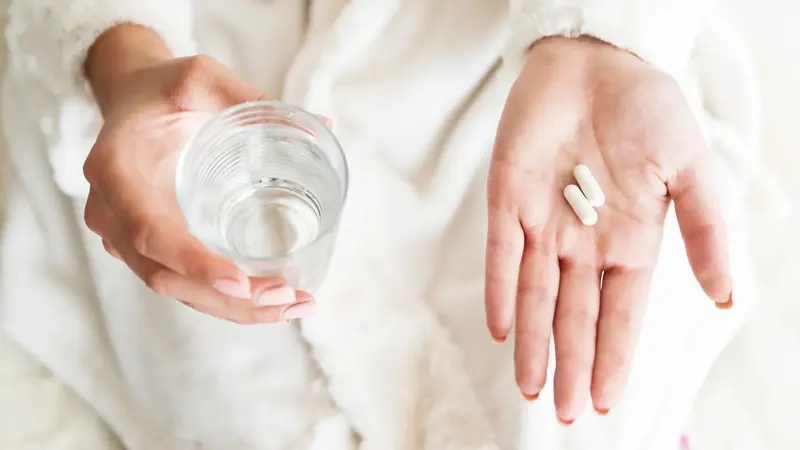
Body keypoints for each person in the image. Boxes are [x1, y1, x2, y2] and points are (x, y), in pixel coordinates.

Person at [0, 0, 760, 449]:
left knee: (584, 385)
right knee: (231, 391)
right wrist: (120, 58)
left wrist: (600, 34)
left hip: (503, 53)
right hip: (199, 65)